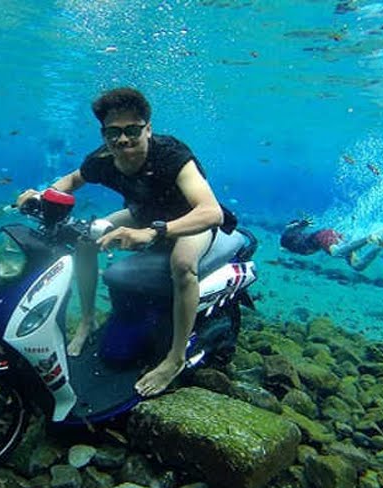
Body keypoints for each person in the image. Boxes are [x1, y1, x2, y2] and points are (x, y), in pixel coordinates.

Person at [17, 87, 236, 397]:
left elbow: (211, 212)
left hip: (189, 219)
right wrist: (41, 196)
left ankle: (175, 358)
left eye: (132, 130)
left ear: (148, 129)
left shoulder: (172, 156)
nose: (122, 140)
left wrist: (152, 233)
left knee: (183, 265)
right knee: (85, 241)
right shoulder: (103, 159)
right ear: (104, 135)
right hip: (144, 213)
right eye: (113, 132)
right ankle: (88, 321)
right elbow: (71, 180)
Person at [280, 218, 383, 271]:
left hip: (323, 237)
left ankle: (369, 238)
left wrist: (300, 224)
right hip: (331, 237)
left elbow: (288, 229)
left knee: (336, 253)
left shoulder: (286, 240)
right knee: (358, 266)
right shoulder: (293, 248)